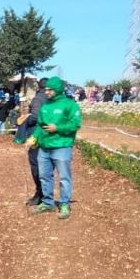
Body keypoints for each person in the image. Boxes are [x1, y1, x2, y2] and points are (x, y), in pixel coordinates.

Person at [31, 76, 82, 219]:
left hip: (62, 146)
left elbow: (75, 124)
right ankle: (48, 202)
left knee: (64, 177)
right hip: (44, 147)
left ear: (58, 89)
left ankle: (64, 203)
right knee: (44, 176)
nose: (46, 92)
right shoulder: (45, 105)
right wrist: (34, 137)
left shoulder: (70, 104)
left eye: (49, 90)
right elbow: (40, 126)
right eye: (46, 89)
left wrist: (57, 128)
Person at [13, 78, 48, 206]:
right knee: (47, 167)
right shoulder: (54, 99)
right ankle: (45, 194)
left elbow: (36, 117)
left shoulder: (38, 98)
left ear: (38, 86)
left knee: (36, 166)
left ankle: (40, 195)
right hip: (51, 137)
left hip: (37, 136)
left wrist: (26, 119)